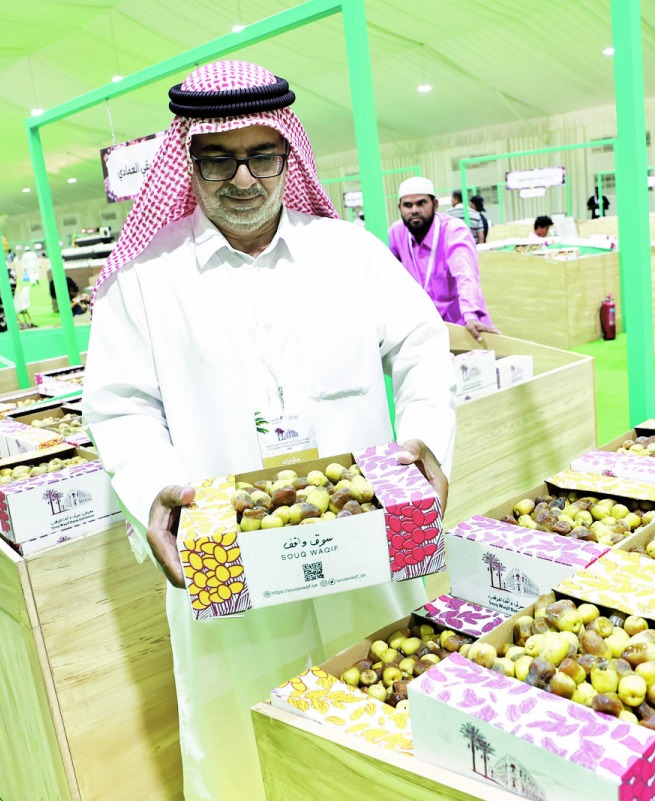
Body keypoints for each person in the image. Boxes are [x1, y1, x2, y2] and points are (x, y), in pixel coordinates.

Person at [81, 61, 456, 801]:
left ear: (290, 153)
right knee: (239, 739)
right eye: (217, 159)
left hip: (365, 549)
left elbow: (422, 344)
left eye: (263, 155)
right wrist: (154, 488)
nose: (244, 178)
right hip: (228, 565)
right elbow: (120, 406)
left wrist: (425, 438)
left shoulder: (348, 252)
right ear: (187, 161)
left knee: (382, 710)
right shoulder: (145, 280)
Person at [390, 176, 499, 343]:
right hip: (425, 330)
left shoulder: (453, 231)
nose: (414, 210)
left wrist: (470, 314)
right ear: (400, 207)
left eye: (421, 203)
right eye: (408, 205)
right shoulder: (397, 233)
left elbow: (465, 274)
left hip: (463, 327)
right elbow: (389, 276)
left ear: (434, 204)